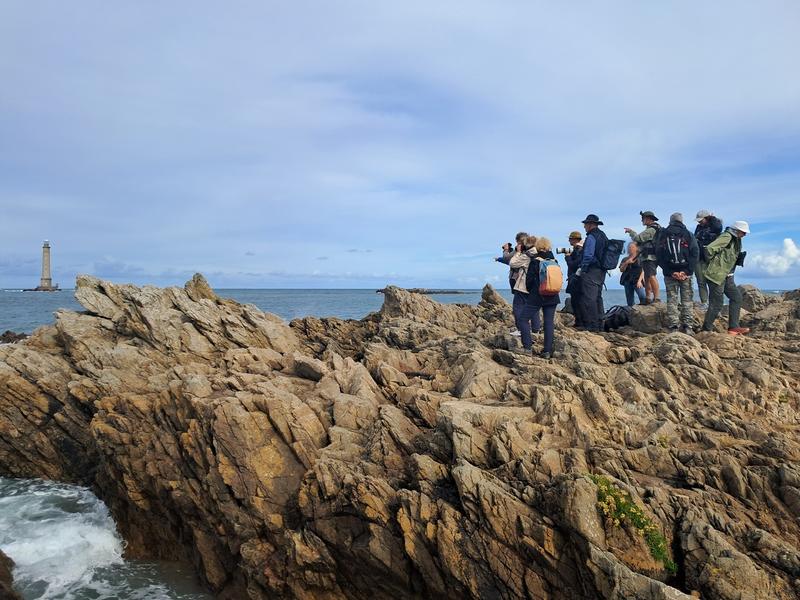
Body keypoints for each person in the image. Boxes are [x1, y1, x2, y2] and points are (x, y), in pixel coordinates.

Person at [701, 221, 751, 335]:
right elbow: (709, 249)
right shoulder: (727, 236)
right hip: (717, 275)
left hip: (728, 276)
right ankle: (706, 329)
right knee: (717, 303)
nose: (745, 235)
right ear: (737, 230)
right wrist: (714, 265)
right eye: (743, 232)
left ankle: (733, 327)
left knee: (737, 298)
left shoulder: (737, 240)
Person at [656, 213, 699, 334]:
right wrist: (686, 271)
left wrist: (670, 272)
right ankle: (687, 326)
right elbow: (695, 253)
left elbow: (659, 254)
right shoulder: (688, 234)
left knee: (672, 300)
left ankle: (673, 326)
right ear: (682, 221)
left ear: (670, 221)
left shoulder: (663, 234)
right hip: (686, 274)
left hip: (670, 274)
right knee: (687, 300)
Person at [522, 237, 560, 358]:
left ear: (537, 247)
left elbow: (528, 281)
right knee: (548, 323)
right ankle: (547, 351)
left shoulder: (535, 261)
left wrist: (530, 291)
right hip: (553, 295)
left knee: (523, 319)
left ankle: (527, 348)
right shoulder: (555, 261)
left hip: (537, 296)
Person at [575, 214, 608, 332]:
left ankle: (592, 326)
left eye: (585, 225)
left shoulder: (592, 237)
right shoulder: (603, 236)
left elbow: (588, 255)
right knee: (598, 297)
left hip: (591, 270)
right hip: (601, 271)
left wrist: (582, 269)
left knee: (589, 298)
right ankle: (600, 325)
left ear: (590, 225)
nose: (584, 227)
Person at [495, 231, 529, 335]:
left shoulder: (520, 250)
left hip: (518, 280)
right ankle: (534, 328)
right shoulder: (532, 250)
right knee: (529, 304)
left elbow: (509, 260)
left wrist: (505, 250)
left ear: (519, 241)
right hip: (530, 281)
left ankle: (521, 329)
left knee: (518, 306)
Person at [625, 211, 661, 304]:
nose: (642, 221)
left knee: (651, 276)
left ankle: (656, 298)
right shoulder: (655, 229)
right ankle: (648, 298)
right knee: (647, 277)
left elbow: (638, 238)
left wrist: (631, 232)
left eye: (643, 218)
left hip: (650, 257)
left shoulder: (651, 230)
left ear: (648, 219)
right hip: (648, 256)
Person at [694, 209, 723, 308]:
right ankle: (704, 302)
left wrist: (713, 218)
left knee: (712, 281)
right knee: (701, 281)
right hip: (699, 257)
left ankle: (713, 304)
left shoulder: (715, 225)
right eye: (698, 221)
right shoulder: (698, 227)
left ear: (707, 218)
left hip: (711, 258)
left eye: (701, 220)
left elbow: (718, 228)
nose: (699, 222)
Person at [564, 231, 585, 327]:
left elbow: (573, 265)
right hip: (576, 278)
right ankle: (579, 321)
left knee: (576, 301)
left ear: (575, 239)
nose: (569, 240)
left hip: (576, 279)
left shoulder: (579, 250)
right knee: (576, 300)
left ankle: (580, 322)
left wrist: (568, 257)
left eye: (570, 238)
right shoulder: (578, 250)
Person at [619, 242, 646, 307]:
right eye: (629, 247)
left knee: (643, 297)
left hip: (637, 280)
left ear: (636, 248)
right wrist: (627, 263)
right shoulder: (625, 259)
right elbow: (621, 270)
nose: (630, 249)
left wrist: (640, 281)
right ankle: (631, 313)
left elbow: (644, 270)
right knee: (630, 301)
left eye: (632, 247)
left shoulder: (641, 258)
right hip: (627, 280)